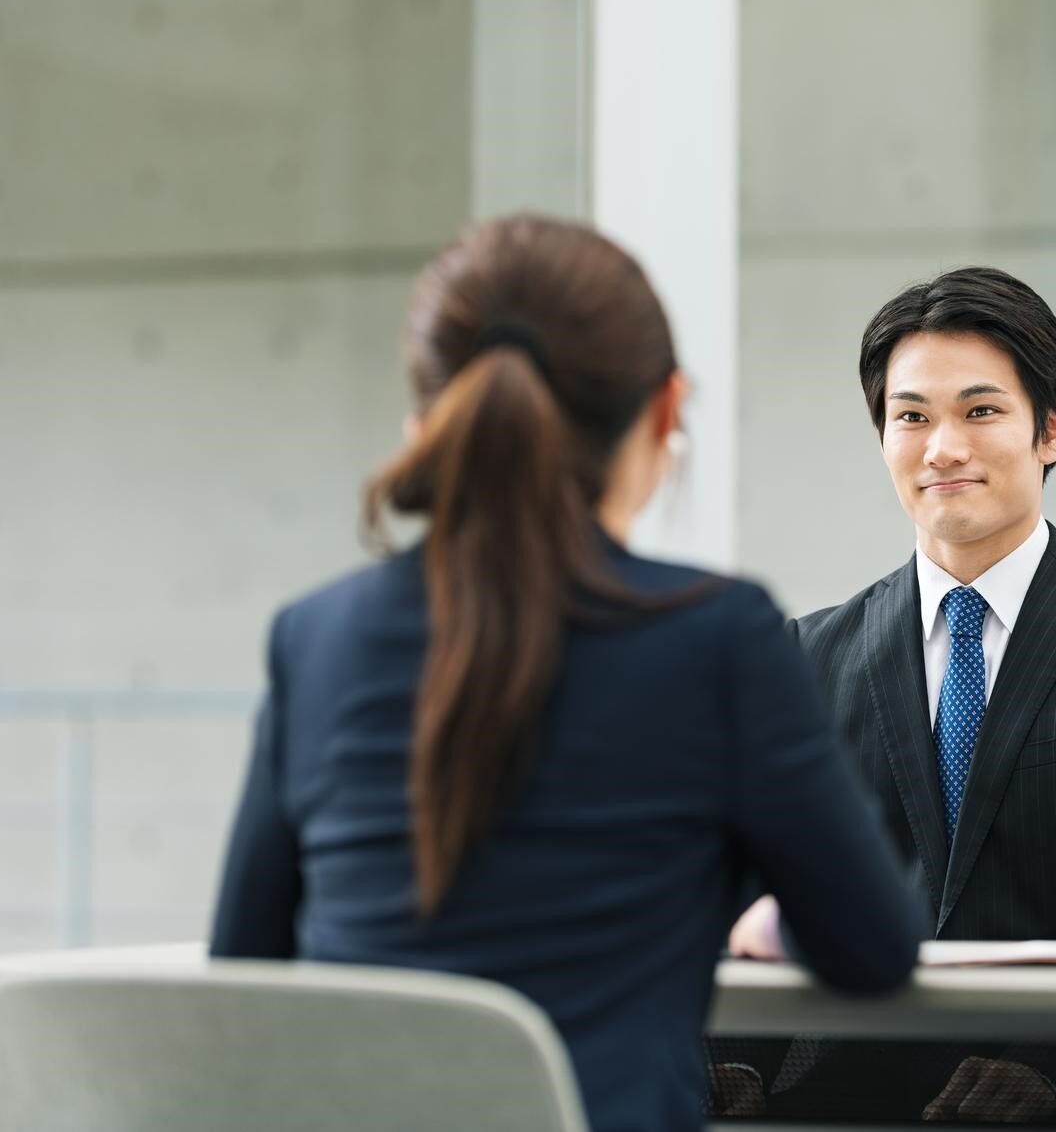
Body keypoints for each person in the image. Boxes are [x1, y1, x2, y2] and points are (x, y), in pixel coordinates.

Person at [210, 215, 925, 1132]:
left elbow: (244, 973)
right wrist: (766, 916)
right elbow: (874, 948)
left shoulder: (316, 639)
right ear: (667, 413)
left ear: (426, 422)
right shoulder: (717, 636)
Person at [734, 266, 1056, 1125]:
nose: (943, 448)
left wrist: (1051, 1066)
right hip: (866, 1098)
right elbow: (756, 902)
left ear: (1054, 427)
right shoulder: (811, 655)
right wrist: (734, 1065)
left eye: (980, 410)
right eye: (912, 416)